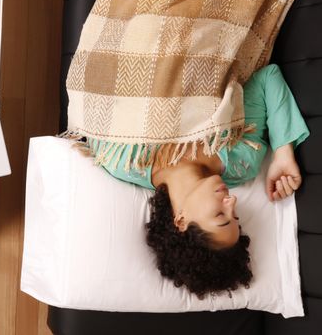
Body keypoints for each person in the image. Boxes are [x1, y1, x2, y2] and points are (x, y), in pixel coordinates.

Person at [85, 64, 310, 298]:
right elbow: (266, 77)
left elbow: (98, 93)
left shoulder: (123, 159)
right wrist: (283, 152)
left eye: (220, 216)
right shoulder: (241, 159)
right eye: (235, 215)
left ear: (180, 221)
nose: (231, 201)